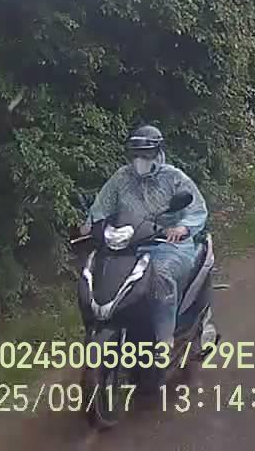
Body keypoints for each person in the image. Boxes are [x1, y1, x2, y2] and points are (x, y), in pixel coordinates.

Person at [86, 125, 208, 348]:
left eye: (146, 153)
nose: (140, 159)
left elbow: (197, 210)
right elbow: (100, 208)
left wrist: (182, 228)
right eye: (136, 153)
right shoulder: (121, 178)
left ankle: (164, 339)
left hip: (169, 245)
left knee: (160, 275)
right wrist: (90, 227)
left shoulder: (173, 178)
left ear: (158, 152)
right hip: (129, 247)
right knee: (98, 271)